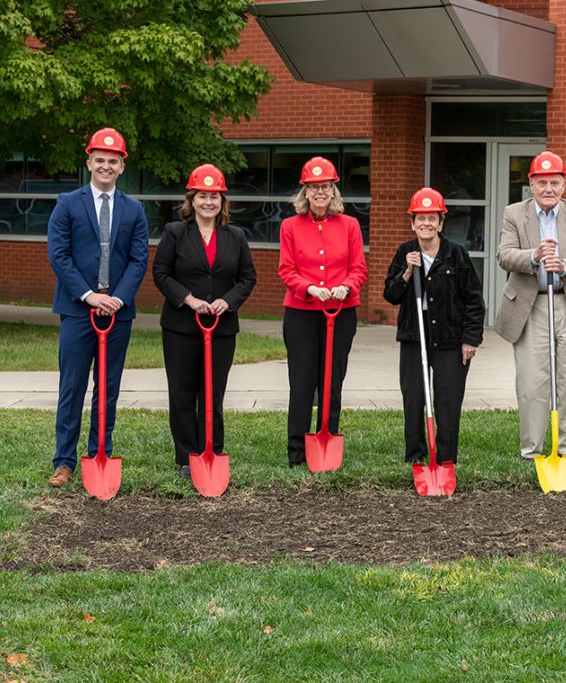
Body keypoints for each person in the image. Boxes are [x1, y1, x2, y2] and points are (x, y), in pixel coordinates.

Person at [46, 127, 149, 487]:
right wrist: (89, 296)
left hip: (118, 312)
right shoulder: (67, 203)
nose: (106, 166)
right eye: (100, 160)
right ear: (89, 162)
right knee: (72, 385)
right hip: (78, 310)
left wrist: (117, 298)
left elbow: (139, 260)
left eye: (113, 161)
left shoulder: (134, 209)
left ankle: (99, 453)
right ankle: (64, 461)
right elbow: (58, 256)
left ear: (122, 166)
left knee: (108, 387)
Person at [152, 164, 257, 479]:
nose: (208, 202)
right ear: (192, 199)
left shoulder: (235, 236)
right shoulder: (174, 232)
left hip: (221, 328)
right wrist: (190, 299)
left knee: (213, 392)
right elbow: (161, 273)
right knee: (183, 392)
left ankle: (212, 450)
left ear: (222, 201)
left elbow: (247, 277)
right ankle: (187, 457)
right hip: (181, 327)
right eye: (202, 196)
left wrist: (229, 300)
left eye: (214, 196)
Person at [495, 151, 566, 460]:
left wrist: (564, 265)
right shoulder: (514, 213)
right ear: (531, 183)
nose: (548, 189)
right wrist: (534, 257)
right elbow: (504, 254)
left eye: (554, 182)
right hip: (531, 306)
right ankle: (532, 450)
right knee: (532, 382)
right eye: (542, 183)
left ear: (563, 184)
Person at [382, 188, 484, 465]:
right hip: (415, 335)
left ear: (441, 223)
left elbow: (474, 301)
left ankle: (446, 458)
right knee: (414, 399)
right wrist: (406, 272)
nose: (426, 223)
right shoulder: (405, 252)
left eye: (432, 218)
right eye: (420, 218)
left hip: (450, 337)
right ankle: (415, 456)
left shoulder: (457, 254)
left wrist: (470, 339)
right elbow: (390, 295)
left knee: (448, 402)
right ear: (412, 223)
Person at [278, 156, 368, 467]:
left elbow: (359, 268)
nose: (320, 192)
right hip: (302, 312)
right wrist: (309, 288)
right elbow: (286, 270)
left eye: (326, 186)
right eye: (314, 187)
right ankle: (297, 451)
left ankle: (327, 438)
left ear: (334, 191)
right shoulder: (290, 226)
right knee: (302, 382)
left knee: (332, 380)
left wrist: (346, 286)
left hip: (340, 313)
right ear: (304, 192)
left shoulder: (350, 225)